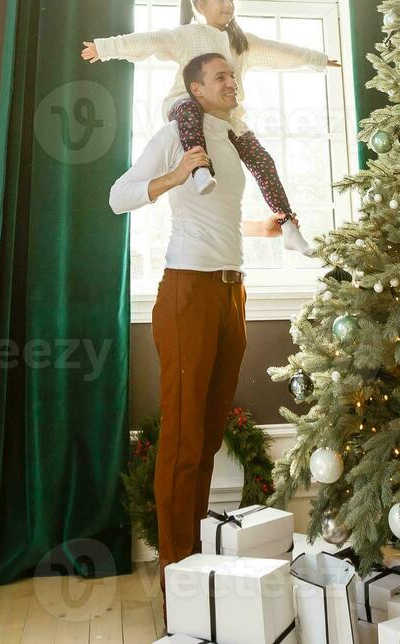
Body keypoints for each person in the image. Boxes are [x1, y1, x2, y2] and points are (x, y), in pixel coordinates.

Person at [109, 52, 284, 616]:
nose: (232, 82)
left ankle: (197, 565)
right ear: (195, 89)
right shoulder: (174, 134)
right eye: (220, 77)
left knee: (207, 433)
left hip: (231, 290)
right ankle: (177, 575)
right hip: (187, 290)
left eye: (234, 75)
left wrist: (265, 227)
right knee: (183, 434)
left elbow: (219, 217)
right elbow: (119, 196)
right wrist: (176, 174)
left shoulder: (233, 138)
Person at [84, 0, 339, 255]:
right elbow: (149, 42)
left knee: (262, 159)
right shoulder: (189, 36)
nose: (229, 5)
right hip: (184, 104)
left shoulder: (240, 42)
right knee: (191, 108)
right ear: (201, 5)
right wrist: (105, 48)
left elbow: (280, 51)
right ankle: (200, 170)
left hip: (226, 118)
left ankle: (289, 226)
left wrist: (318, 59)